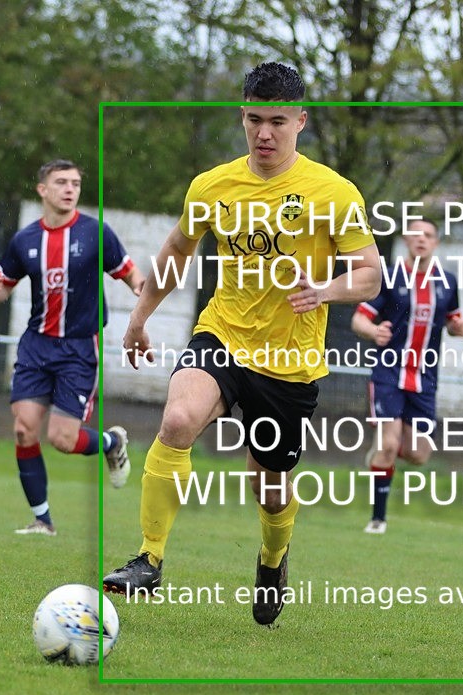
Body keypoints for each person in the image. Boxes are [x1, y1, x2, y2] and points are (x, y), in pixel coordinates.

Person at [101, 63, 382, 626]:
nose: (265, 134)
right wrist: (137, 318)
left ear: (301, 120)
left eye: (278, 121)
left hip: (290, 365)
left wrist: (325, 290)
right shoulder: (213, 184)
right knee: (178, 420)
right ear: (243, 116)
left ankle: (273, 559)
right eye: (255, 119)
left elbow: (370, 276)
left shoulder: (333, 191)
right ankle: (149, 560)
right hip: (222, 335)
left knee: (269, 487)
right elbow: (179, 249)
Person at [0, 159, 144, 536]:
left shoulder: (96, 233)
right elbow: (3, 287)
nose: (70, 189)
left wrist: (141, 290)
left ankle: (110, 442)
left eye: (75, 183)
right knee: (24, 431)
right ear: (43, 190)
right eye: (61, 182)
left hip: (79, 348)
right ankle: (43, 521)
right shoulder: (25, 240)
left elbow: (129, 272)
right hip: (36, 345)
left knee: (63, 439)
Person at [352, 217, 463, 534]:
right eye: (416, 235)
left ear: (436, 243)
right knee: (390, 445)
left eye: (428, 235)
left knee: (418, 454)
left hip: (424, 379)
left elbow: (456, 322)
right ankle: (378, 519)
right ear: (406, 239)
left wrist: (459, 329)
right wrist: (374, 330)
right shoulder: (388, 276)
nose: (422, 240)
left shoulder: (447, 281)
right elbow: (360, 320)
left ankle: (381, 455)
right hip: (388, 373)